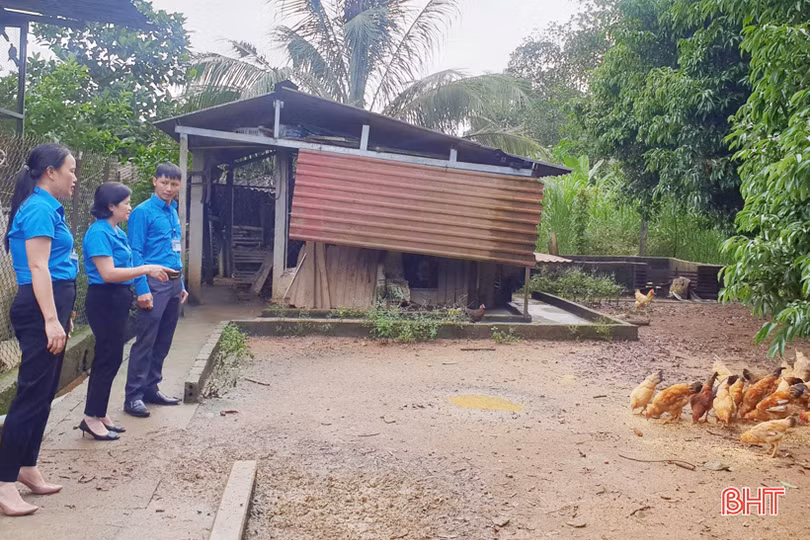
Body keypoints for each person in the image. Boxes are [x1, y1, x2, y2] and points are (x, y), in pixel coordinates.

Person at [0, 144, 78, 517]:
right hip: (38, 308)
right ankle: (3, 482)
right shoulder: (38, 210)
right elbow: (38, 268)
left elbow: (60, 268)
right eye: (70, 171)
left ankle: (27, 467)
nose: (74, 178)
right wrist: (50, 319)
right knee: (31, 395)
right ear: (50, 172)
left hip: (53, 305)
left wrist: (64, 313)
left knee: (45, 392)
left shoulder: (49, 209)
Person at [80, 183, 176, 441]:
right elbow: (108, 273)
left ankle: (99, 413)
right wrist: (146, 270)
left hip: (118, 299)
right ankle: (90, 416)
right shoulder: (99, 233)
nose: (130, 207)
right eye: (126, 203)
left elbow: (129, 261)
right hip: (104, 299)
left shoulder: (115, 231)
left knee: (112, 358)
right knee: (106, 358)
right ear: (111, 206)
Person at [124, 164, 188, 418]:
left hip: (173, 282)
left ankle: (151, 387)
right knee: (146, 340)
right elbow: (135, 253)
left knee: (164, 339)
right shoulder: (143, 212)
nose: (169, 189)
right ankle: (133, 396)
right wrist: (142, 289)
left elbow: (174, 251)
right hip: (152, 284)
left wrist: (180, 284)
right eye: (164, 183)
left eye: (174, 184)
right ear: (154, 182)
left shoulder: (173, 211)